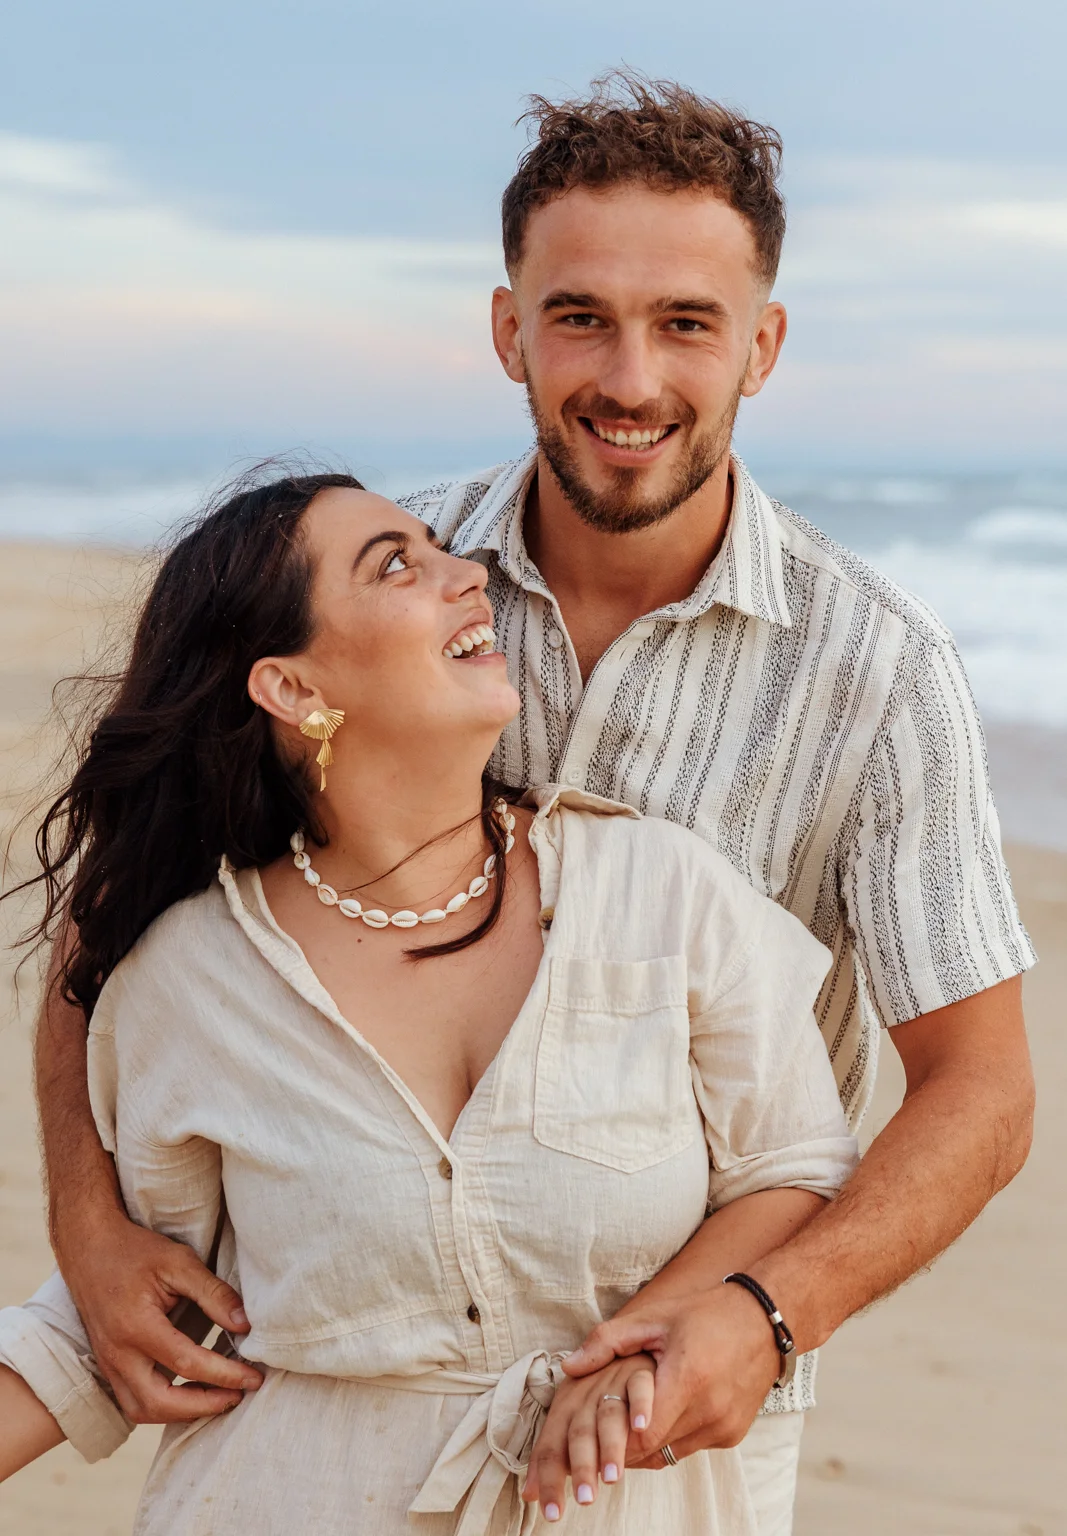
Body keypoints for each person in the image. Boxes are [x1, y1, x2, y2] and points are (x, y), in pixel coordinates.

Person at [28, 74, 1035, 1531]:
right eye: (579, 317)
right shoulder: (382, 582)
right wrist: (88, 1216)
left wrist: (763, 1313)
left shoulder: (874, 673)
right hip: (338, 1382)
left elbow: (980, 1090)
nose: (627, 377)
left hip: (670, 1421)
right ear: (509, 328)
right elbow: (117, 894)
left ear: (758, 346)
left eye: (684, 323)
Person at [0, 471, 857, 1535]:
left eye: (440, 548)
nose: (471, 577)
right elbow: (139, 1312)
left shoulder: (662, 891)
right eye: (396, 565)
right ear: (292, 690)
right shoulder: (189, 976)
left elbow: (795, 1168)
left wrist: (648, 1336)